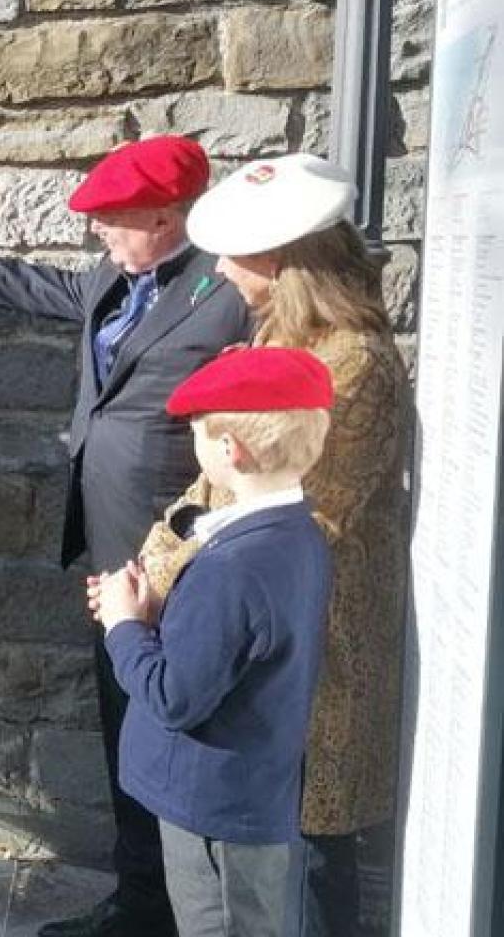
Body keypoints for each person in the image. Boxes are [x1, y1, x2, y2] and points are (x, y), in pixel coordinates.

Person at [0, 134, 253, 937]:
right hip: (109, 540)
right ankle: (142, 899)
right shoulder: (114, 271)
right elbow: (62, 290)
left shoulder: (231, 285)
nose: (96, 231)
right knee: (122, 717)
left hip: (181, 547)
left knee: (177, 723)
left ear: (168, 217)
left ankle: (183, 905)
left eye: (112, 218)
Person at [136, 154, 410, 937]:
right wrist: (156, 562)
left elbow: (287, 514)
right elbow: (212, 487)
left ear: (285, 265)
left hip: (313, 651)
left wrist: (159, 577)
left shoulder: (350, 364)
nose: (218, 270)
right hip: (270, 628)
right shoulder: (294, 341)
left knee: (308, 862)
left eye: (234, 256)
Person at [94, 346, 336, 937]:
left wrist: (124, 623)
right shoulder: (298, 536)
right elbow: (243, 645)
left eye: (200, 433)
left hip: (213, 815)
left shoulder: (232, 566)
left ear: (230, 450)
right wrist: (162, 612)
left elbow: (173, 695)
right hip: (250, 794)